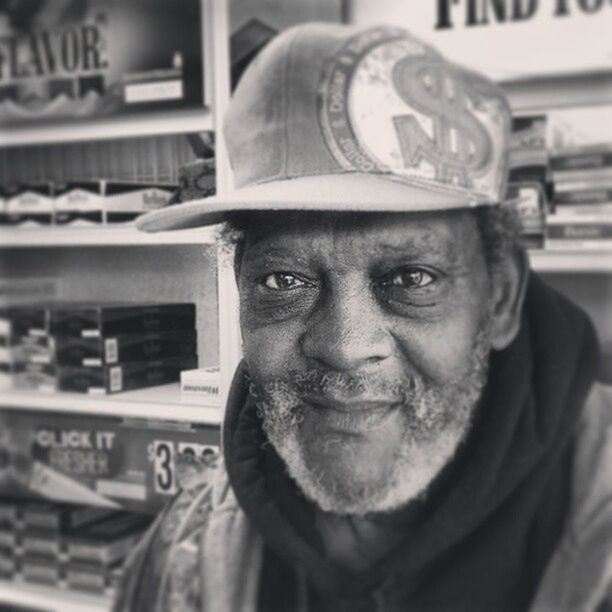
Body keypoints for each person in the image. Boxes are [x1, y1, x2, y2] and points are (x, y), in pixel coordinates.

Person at [114, 23, 612, 612]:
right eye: (284, 282)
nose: (345, 346)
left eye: (410, 279)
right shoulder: (186, 555)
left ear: (499, 297)